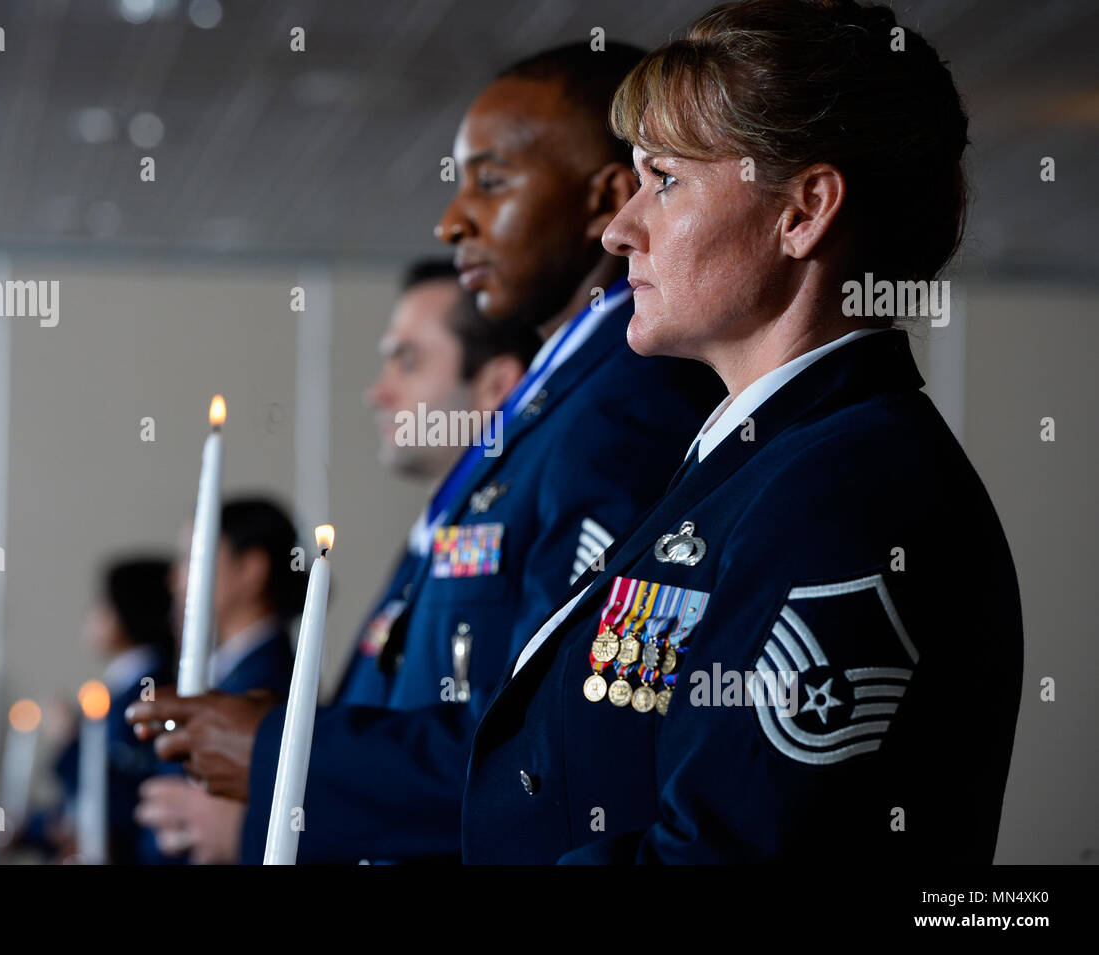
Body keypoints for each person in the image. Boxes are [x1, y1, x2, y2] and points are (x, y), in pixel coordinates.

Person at [128, 42, 725, 865]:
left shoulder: (628, 405)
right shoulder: (563, 398)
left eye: (491, 179)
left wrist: (281, 756)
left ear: (605, 199)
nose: (452, 221)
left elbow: (551, 743)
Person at [460, 0, 1023, 863]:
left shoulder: (848, 490)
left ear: (803, 211)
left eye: (666, 180)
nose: (620, 228)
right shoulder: (763, 458)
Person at [337, 258, 538, 707]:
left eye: (407, 362)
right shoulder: (433, 534)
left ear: (497, 386)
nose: (377, 393)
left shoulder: (511, 535)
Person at [135, 497, 304, 863]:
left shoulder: (265, 683)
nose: (174, 578)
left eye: (192, 558)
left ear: (249, 569)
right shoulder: (232, 670)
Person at [21, 556, 174, 864]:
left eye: (103, 602)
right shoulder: (122, 689)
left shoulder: (153, 690)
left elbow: (123, 798)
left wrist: (71, 741)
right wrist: (38, 829)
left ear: (130, 608)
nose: (90, 613)